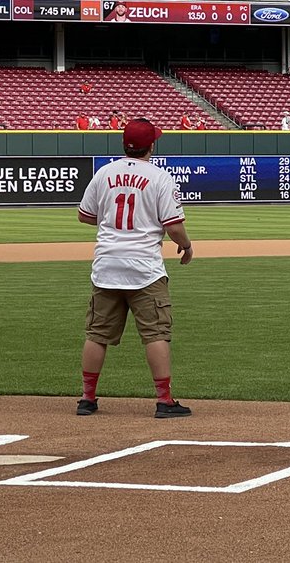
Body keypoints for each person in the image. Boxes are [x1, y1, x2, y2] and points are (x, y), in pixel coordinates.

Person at [75, 118, 194, 419]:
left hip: (107, 265)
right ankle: (164, 401)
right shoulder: (160, 177)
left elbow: (85, 215)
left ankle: (87, 399)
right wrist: (187, 246)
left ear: (124, 144)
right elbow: (174, 227)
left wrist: (109, 220)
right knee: (156, 334)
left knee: (97, 334)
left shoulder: (104, 173)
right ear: (151, 146)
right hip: (145, 269)